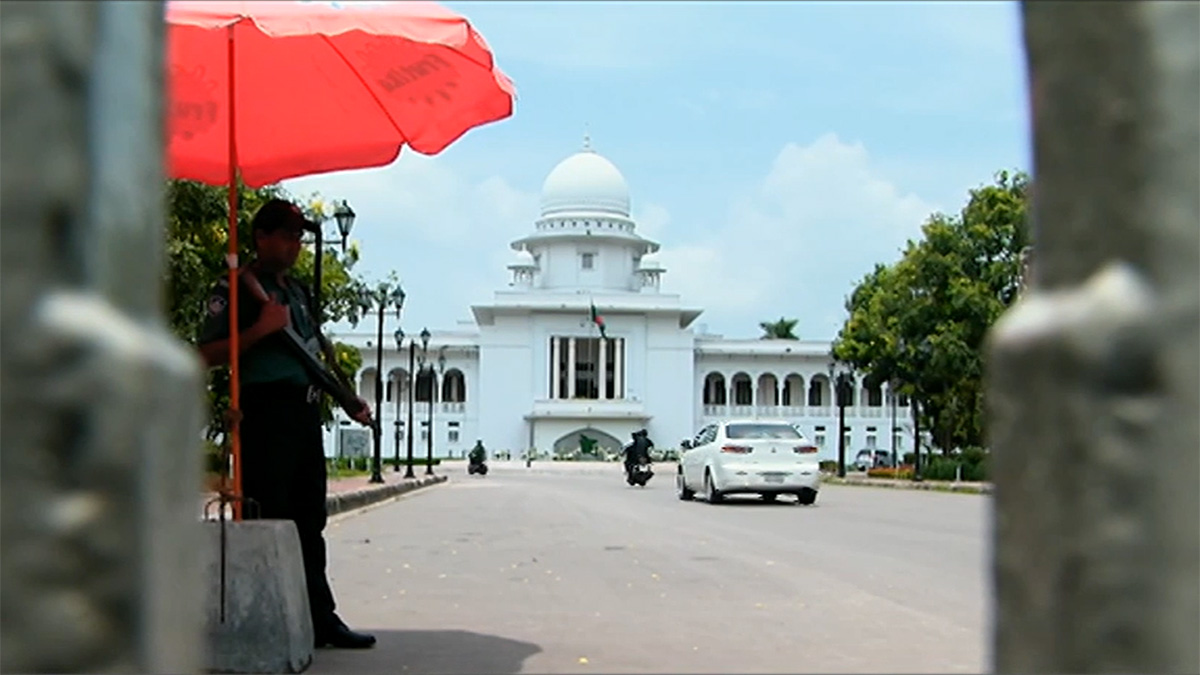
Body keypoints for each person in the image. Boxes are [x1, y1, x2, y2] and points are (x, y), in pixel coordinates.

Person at [197, 198, 376, 650]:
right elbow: (206, 354)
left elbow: (313, 354)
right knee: (268, 516)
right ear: (261, 237)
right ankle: (269, 613)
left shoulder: (297, 292)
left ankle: (319, 619)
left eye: (299, 237)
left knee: (309, 520)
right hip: (264, 411)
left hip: (303, 410)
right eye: (287, 236)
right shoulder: (236, 288)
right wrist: (260, 329)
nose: (295, 245)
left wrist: (348, 398)